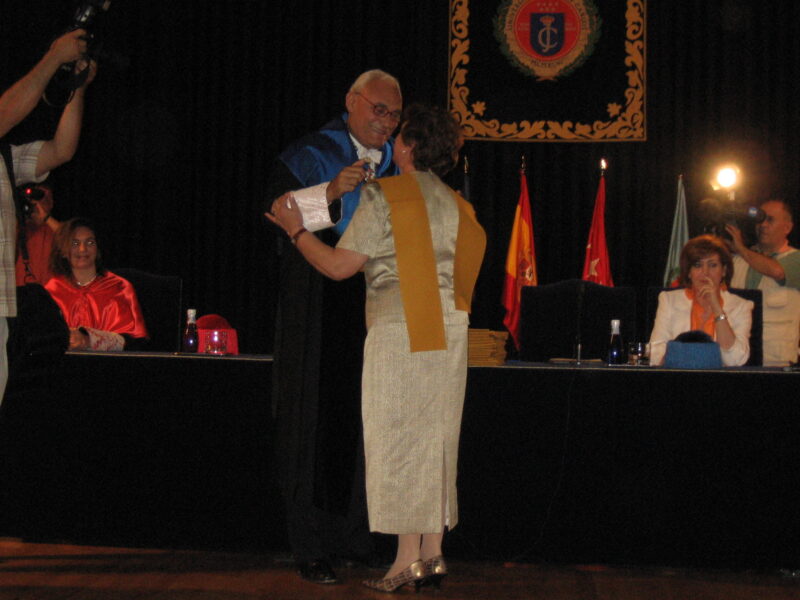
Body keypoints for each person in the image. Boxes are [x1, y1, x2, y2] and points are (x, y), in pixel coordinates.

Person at [268, 103, 486, 592]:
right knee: (437, 439)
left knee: (400, 441)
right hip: (451, 334)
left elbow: (339, 266)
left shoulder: (386, 195)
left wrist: (295, 229)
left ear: (409, 147)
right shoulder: (460, 206)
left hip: (400, 332)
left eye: (399, 136)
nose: (393, 142)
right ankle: (432, 552)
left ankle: (405, 559)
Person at [263, 70, 402, 584]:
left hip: (375, 306)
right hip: (317, 305)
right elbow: (275, 213)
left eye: (393, 115)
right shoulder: (311, 154)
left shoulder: (399, 164)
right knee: (311, 420)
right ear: (351, 101)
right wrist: (328, 191)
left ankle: (356, 536)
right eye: (378, 110)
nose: (385, 122)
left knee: (368, 421)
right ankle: (311, 544)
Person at [1, 29, 93, 404]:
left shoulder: (5, 158)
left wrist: (77, 89)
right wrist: (55, 56)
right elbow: (5, 114)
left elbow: (61, 150)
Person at [45, 218, 147, 351]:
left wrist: (89, 340)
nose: (83, 249)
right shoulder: (52, 290)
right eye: (75, 243)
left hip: (111, 363)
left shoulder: (120, 287)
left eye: (90, 242)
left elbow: (136, 342)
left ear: (97, 249)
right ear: (63, 251)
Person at [649, 234, 753, 367]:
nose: (705, 272)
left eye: (712, 265)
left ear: (724, 271)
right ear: (689, 272)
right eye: (697, 265)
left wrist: (716, 307)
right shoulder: (669, 300)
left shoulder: (741, 306)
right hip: (679, 375)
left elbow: (735, 360)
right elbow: (655, 354)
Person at [727, 199, 800, 365]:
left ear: (787, 227)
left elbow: (777, 271)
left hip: (777, 361)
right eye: (760, 219)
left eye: (770, 220)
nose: (763, 225)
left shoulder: (796, 259)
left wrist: (741, 248)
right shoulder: (737, 260)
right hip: (737, 356)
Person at [15, 181, 62, 286]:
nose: (36, 205)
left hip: (50, 290)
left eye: (42, 200)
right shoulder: (18, 227)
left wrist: (45, 218)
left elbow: (72, 238)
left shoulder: (55, 228)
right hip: (22, 289)